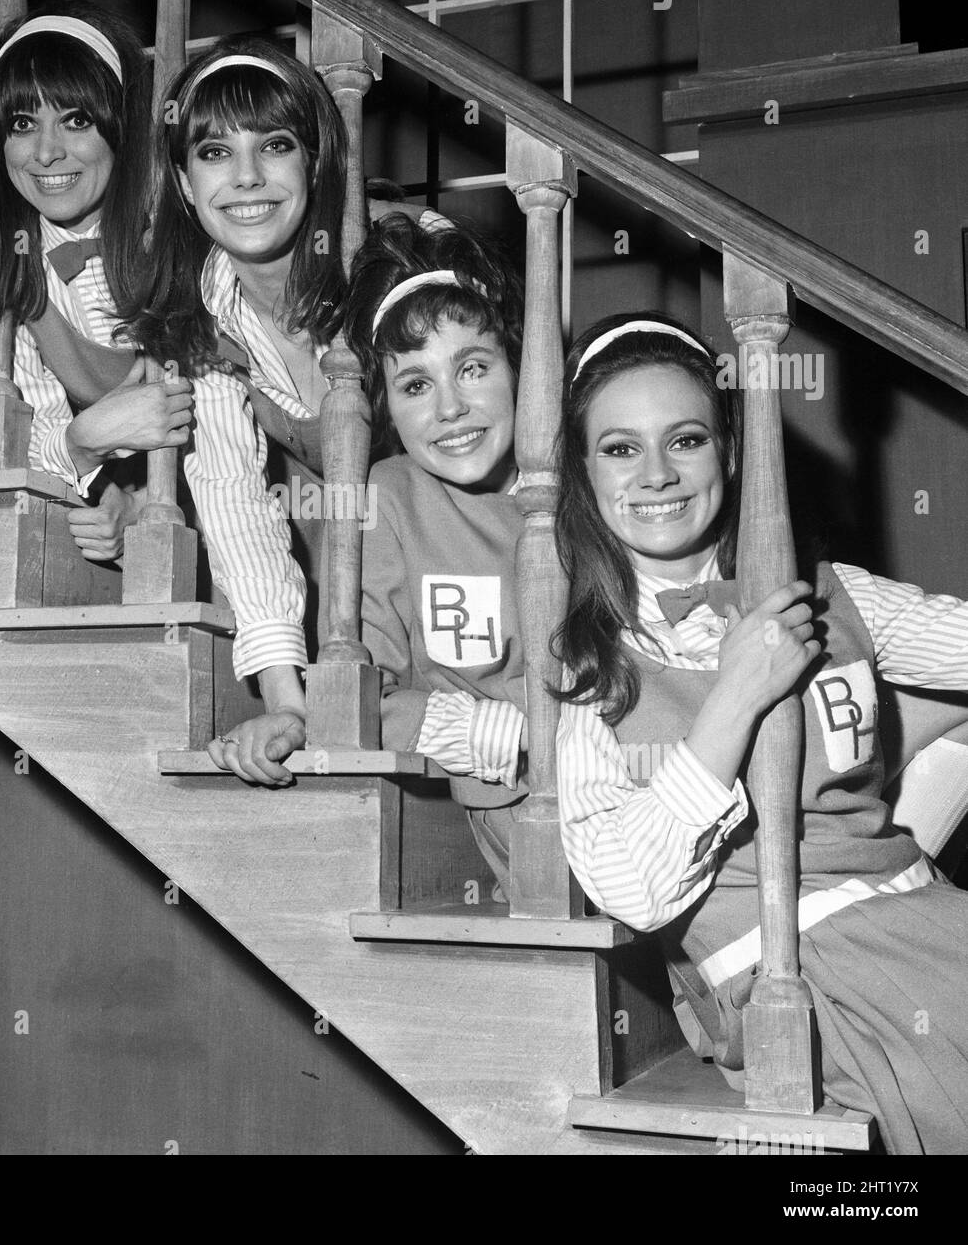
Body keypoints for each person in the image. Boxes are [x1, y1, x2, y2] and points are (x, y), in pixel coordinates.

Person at [552, 312, 968, 1153]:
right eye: (621, 448)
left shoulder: (831, 595)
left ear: (732, 453)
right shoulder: (588, 667)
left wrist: (908, 751)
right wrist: (736, 695)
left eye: (688, 439)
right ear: (585, 472)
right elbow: (627, 890)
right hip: (790, 971)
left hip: (919, 916)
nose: (659, 474)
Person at [125, 37, 349, 783]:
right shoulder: (198, 319)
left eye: (275, 145)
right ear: (185, 185)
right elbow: (233, 503)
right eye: (216, 153)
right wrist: (288, 700)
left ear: (313, 162)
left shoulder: (392, 260)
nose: (247, 178)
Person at [0, 4, 193, 557]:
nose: (45, 152)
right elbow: (31, 435)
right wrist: (95, 461)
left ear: (120, 128)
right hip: (138, 498)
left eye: (76, 120)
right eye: (22, 124)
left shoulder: (175, 224)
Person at [348, 215, 528, 896]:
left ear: (516, 364)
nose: (451, 407)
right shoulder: (391, 496)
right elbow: (368, 696)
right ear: (388, 406)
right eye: (416, 385)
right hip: (522, 804)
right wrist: (507, 733)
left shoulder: (585, 473)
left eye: (473, 367)